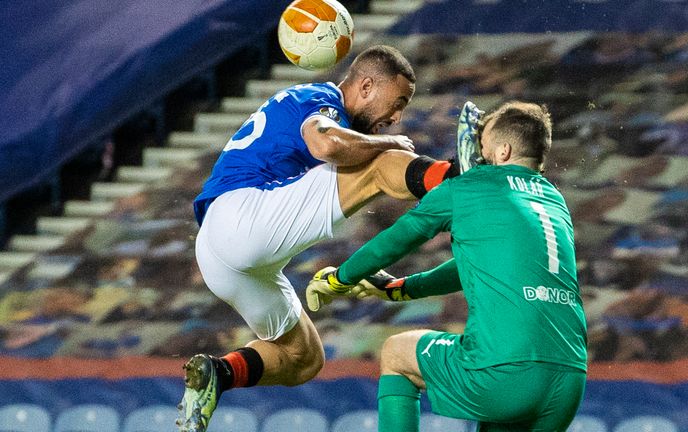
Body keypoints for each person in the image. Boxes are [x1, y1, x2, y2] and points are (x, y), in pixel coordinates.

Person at [177, 45, 480, 431]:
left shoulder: (314, 104)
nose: (397, 117)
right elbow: (327, 145)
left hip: (220, 254)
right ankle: (460, 178)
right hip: (242, 216)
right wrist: (390, 143)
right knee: (377, 162)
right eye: (398, 102)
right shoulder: (320, 99)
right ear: (366, 86)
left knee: (303, 357)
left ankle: (218, 373)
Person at [308, 101, 588, 431]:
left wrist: (341, 278)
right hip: (569, 380)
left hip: (504, 372)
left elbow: (397, 239)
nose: (478, 159)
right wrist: (403, 289)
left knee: (397, 352)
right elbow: (479, 263)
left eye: (482, 151)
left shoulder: (469, 187)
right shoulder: (554, 202)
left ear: (503, 151)